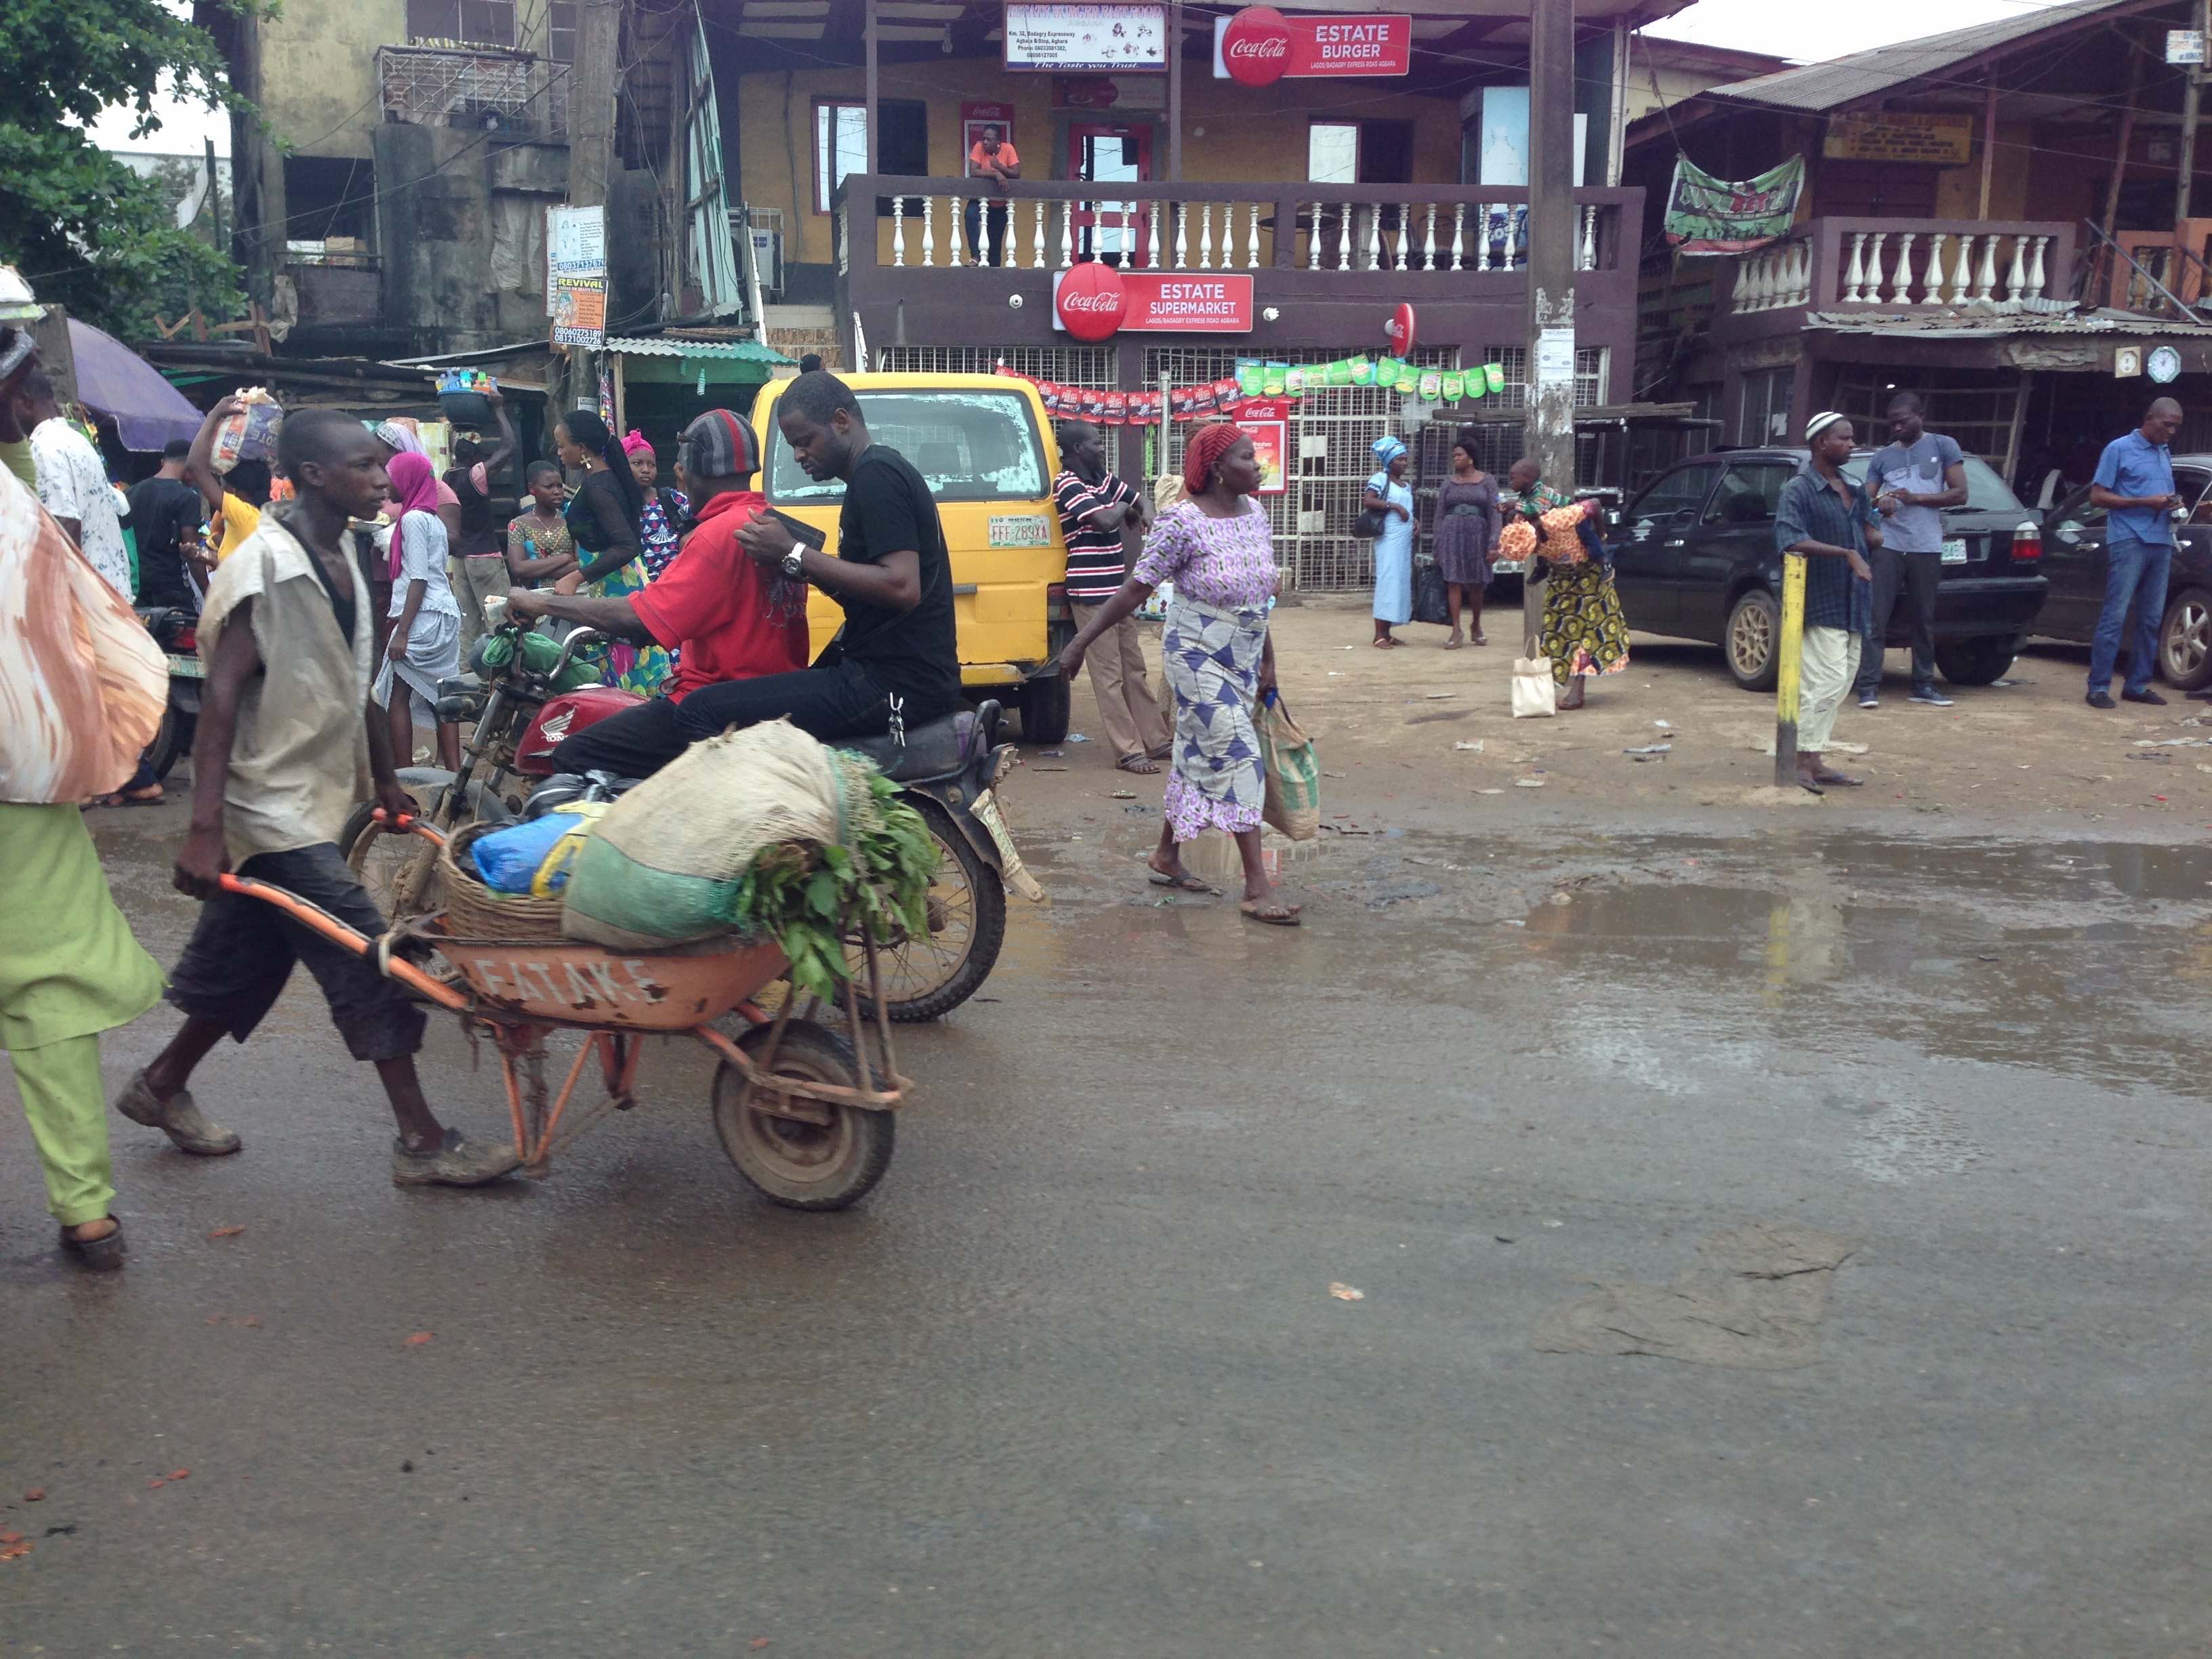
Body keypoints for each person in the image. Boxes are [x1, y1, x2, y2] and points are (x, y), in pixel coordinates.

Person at [115, 408, 520, 1188]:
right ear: (312, 476)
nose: (382, 478)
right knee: (365, 955)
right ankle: (422, 1140)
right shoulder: (263, 566)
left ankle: (159, 1086)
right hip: (266, 807)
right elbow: (222, 700)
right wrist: (202, 830)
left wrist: (389, 782)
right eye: (365, 466)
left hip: (313, 801)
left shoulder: (349, 553)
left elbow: (357, 680)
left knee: (254, 957)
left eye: (381, 465)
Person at [0, 337, 169, 1268]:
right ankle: (86, 1213)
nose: (38, 413)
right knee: (51, 988)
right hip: (18, 786)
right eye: (25, 393)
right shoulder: (10, 508)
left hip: (21, 782)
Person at [1060, 422, 1298, 926]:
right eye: (1246, 457)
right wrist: (1080, 643)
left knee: (1193, 755)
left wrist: (1269, 663)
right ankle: (1257, 887)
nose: (1257, 465)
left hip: (1244, 656)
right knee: (1239, 754)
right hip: (1196, 658)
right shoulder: (1181, 523)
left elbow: (1260, 596)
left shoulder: (1256, 515)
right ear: (1216, 469)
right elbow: (1134, 590)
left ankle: (1166, 855)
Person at [503, 409, 814, 773]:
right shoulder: (771, 522)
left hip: (711, 701)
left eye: (681, 466)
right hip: (761, 697)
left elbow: (639, 617)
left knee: (573, 752)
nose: (677, 474)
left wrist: (542, 602)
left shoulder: (715, 535)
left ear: (694, 468)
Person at [1053, 419, 1170, 773]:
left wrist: (1143, 514)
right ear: (1078, 450)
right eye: (1097, 443)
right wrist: (1126, 509)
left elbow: (1144, 502)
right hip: (1089, 594)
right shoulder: (1067, 484)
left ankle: (1157, 739)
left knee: (1135, 669)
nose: (1102, 449)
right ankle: (1128, 750)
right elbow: (1105, 520)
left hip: (1118, 592)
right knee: (1109, 677)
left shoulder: (1102, 479)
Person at [1776, 412, 1881, 794]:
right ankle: (1801, 761)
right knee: (1824, 681)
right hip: (1821, 599)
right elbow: (1790, 539)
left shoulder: (1852, 486)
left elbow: (1871, 535)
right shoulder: (1799, 490)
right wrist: (1846, 554)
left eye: (1852, 439)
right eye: (1845, 439)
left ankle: (1815, 759)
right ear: (1821, 443)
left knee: (1842, 681)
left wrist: (1877, 525)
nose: (1852, 445)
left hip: (1854, 598)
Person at [1857, 392, 1961, 710]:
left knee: (1923, 618)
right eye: (1893, 423)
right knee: (1876, 617)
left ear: (1921, 416)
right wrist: (1880, 503)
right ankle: (1868, 687)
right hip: (1888, 544)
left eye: (1903, 421)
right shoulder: (1882, 457)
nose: (1898, 427)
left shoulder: (1943, 446)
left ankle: (1924, 685)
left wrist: (1915, 499)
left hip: (1926, 545)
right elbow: (1865, 500)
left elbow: (1960, 493)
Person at [554, 407, 666, 694]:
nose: (559, 452)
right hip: (617, 581)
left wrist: (577, 577)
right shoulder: (606, 480)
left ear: (581, 448)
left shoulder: (597, 487)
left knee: (626, 677)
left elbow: (627, 545)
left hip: (619, 586)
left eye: (562, 446)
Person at [2086, 396, 2185, 710]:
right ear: (2149, 418)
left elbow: (2160, 496)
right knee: (2115, 615)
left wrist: (2173, 505)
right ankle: (2099, 687)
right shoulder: (2119, 448)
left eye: (2176, 427)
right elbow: (2097, 496)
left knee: (2152, 618)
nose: (2171, 432)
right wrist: (2144, 502)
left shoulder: (2163, 452)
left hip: (2162, 540)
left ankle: (2137, 685)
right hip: (2128, 539)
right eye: (2166, 425)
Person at [1507, 456, 1629, 710]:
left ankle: (1578, 690)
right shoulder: (1522, 525)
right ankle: (1552, 686)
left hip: (1588, 577)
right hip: (1561, 579)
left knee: (1585, 633)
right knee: (1554, 631)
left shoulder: (1555, 518)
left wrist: (1602, 536)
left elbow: (1594, 504)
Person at [376, 452, 464, 772]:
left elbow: (419, 578)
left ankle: (403, 773)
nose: (386, 484)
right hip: (444, 614)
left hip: (423, 617)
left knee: (395, 695)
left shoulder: (412, 520)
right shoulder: (433, 520)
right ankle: (454, 770)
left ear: (407, 481)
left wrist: (402, 631)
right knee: (443, 695)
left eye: (392, 477)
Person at [15, 369, 130, 598]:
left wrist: (52, 597)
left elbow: (66, 525)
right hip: (110, 590)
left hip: (85, 597)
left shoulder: (44, 448)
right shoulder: (76, 439)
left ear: (26, 402)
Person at [442, 386, 517, 651]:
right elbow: (508, 447)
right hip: (483, 558)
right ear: (475, 457)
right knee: (499, 622)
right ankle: (499, 678)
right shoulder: (476, 474)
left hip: (460, 559)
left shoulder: (447, 477)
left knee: (469, 626)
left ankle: (468, 679)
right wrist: (498, 409)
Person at [185, 392, 274, 567]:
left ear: (233, 491)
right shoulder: (265, 517)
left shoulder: (243, 514)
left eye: (222, 485)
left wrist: (215, 414)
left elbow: (195, 466)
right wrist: (206, 557)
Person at [1432, 430, 1500, 649]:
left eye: (1459, 455)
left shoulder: (1487, 481)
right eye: (1454, 456)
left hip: (1478, 536)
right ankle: (1456, 629)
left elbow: (1495, 513)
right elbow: (1439, 515)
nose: (1456, 459)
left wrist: (1494, 543)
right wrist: (1437, 545)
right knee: (1453, 582)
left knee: (1477, 584)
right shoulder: (1448, 484)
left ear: (1471, 457)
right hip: (1452, 535)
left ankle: (1477, 625)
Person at [128, 438, 205, 613]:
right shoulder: (187, 497)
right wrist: (208, 591)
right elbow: (193, 554)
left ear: (163, 463)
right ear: (190, 465)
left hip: (138, 591)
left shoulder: (131, 492)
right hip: (171, 592)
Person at [1365, 436, 1415, 647]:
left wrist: (1416, 520)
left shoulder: (1405, 485)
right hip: (1388, 538)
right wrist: (1395, 507)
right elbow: (1368, 500)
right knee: (1387, 581)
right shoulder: (1380, 479)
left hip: (1404, 539)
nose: (1404, 463)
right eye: (1399, 460)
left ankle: (1388, 631)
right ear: (1389, 462)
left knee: (1399, 583)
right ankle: (1379, 634)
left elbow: (1408, 509)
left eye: (1405, 459)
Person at [504, 459, 579, 586]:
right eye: (549, 487)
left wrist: (535, 571)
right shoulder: (518, 525)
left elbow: (582, 565)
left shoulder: (571, 519)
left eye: (560, 486)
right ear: (532, 489)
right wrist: (565, 558)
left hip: (570, 595)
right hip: (535, 599)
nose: (557, 491)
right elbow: (518, 568)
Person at [965, 125, 1020, 267]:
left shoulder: (1008, 149)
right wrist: (996, 174)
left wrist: (1000, 167)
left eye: (989, 139)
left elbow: (1016, 173)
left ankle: (994, 278)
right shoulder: (979, 147)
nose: (985, 142)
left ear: (998, 142)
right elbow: (973, 171)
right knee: (970, 214)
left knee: (995, 244)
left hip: (1000, 205)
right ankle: (976, 256)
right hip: (981, 199)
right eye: (984, 138)